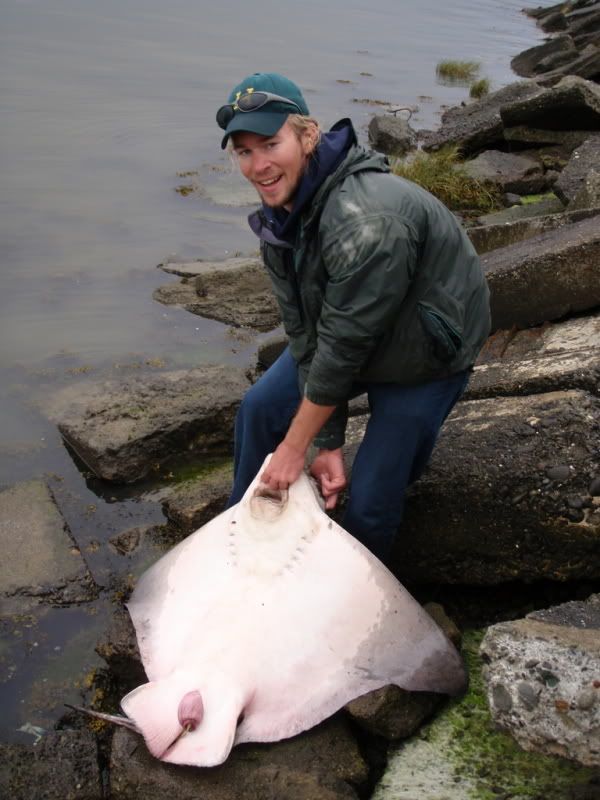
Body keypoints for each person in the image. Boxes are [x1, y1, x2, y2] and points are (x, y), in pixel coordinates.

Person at [216, 72, 490, 563]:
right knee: (259, 409)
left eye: (270, 144)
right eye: (244, 151)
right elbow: (305, 333)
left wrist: (298, 447)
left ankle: (356, 604)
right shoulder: (282, 212)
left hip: (426, 352)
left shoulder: (365, 222)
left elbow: (341, 351)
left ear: (307, 135)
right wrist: (324, 440)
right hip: (355, 332)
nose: (258, 166)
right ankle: (239, 544)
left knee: (370, 500)